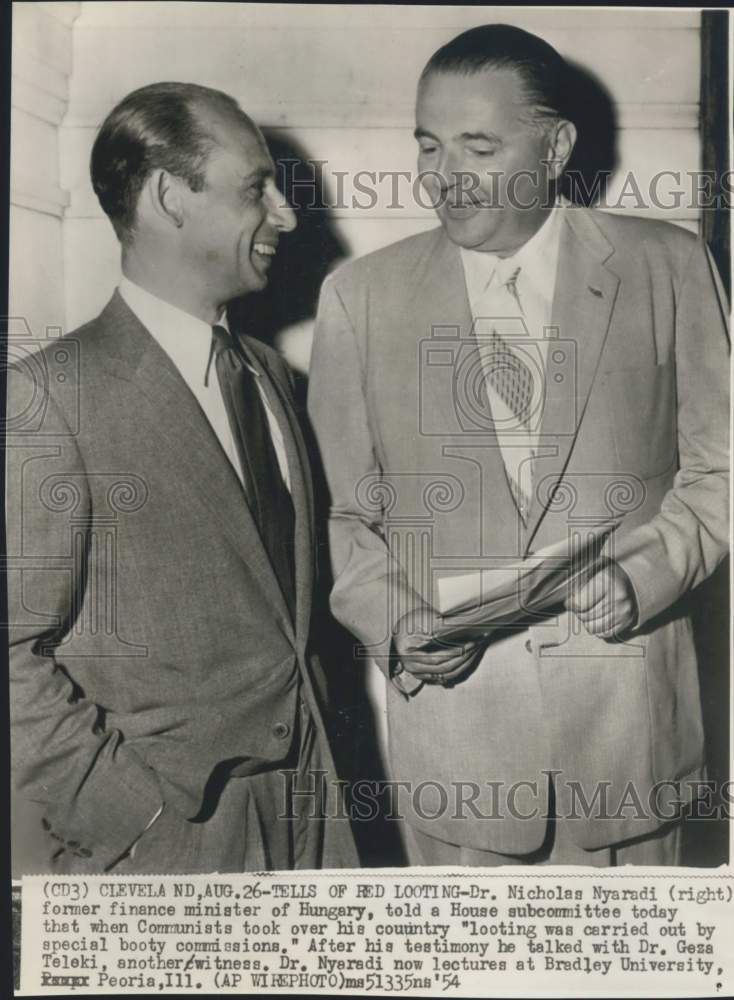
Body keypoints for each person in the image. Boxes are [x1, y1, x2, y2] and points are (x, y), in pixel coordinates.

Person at [308, 24, 729, 866]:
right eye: (428, 146)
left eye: (479, 147)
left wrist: (643, 575)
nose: (444, 178)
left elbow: (723, 470)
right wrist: (398, 626)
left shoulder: (669, 266)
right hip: (458, 765)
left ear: (556, 144)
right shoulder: (359, 297)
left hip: (630, 753)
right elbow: (344, 514)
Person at [7, 82, 357, 874]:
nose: (287, 215)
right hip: (173, 843)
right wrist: (132, 814)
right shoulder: (50, 396)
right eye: (254, 189)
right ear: (170, 196)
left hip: (316, 818)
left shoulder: (268, 375)